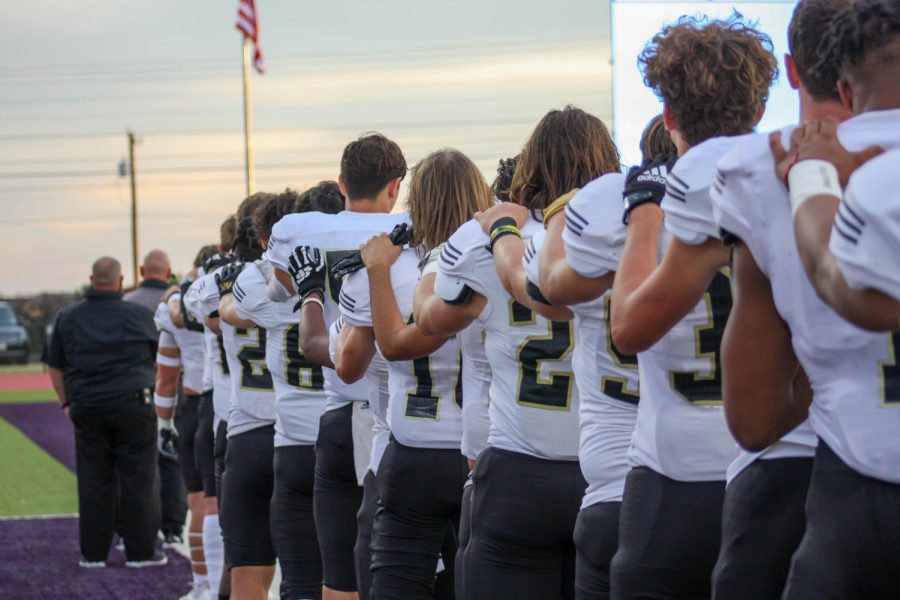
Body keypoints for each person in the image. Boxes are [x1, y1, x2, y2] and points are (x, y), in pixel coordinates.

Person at [729, 1, 900, 595]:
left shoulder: (759, 167)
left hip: (855, 494)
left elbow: (753, 421)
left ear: (846, 91)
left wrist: (813, 176)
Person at [607, 15, 777, 598]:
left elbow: (626, 327)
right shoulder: (800, 171)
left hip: (675, 478)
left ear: (670, 117)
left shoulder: (669, 191)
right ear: (757, 111)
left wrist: (642, 217)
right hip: (777, 467)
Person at [414, 106, 613, 600]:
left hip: (519, 469)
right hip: (614, 472)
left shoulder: (492, 237)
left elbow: (429, 321)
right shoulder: (637, 231)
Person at [327, 149, 494, 599]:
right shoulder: (500, 258)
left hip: (411, 449)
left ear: (414, 200)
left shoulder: (385, 265)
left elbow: (352, 364)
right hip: (481, 451)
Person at [524, 115, 673, 600]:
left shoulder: (599, 220)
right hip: (720, 481)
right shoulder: (731, 215)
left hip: (612, 482)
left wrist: (552, 217)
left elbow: (545, 285)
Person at [267, 133, 408, 600]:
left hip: (341, 410)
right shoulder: (415, 230)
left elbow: (279, 287)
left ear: (341, 183)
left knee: (339, 578)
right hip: (406, 422)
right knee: (404, 568)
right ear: (396, 185)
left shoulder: (298, 229)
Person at [221, 185, 344, 600]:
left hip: (289, 440)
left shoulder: (256, 280)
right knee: (353, 578)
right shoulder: (366, 273)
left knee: (302, 583)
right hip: (349, 436)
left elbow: (232, 307)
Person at [47, 256, 166, 568]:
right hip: (133, 404)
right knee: (139, 479)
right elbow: (162, 359)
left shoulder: (68, 317)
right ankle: (140, 552)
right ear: (120, 280)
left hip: (88, 406)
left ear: (91, 279)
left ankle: (94, 554)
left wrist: (66, 403)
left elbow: (55, 365)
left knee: (94, 480)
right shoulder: (139, 315)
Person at [154, 244, 217, 600]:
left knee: (201, 505)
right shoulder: (241, 292)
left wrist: (163, 424)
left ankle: (203, 585)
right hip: (241, 408)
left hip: (195, 407)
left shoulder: (176, 306)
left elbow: (164, 379)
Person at [125, 248, 188, 547]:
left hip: (135, 390)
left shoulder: (127, 303)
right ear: (167, 272)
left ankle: (133, 528)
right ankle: (174, 526)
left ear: (140, 271)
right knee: (171, 460)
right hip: (175, 389)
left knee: (136, 463)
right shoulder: (180, 301)